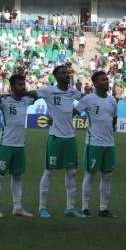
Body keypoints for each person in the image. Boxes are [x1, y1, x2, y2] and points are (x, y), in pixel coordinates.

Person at [27, 65, 85, 218]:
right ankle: (42, 207)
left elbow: (85, 101)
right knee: (49, 171)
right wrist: (12, 94)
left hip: (70, 138)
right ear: (56, 76)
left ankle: (70, 208)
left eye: (67, 72)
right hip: (55, 137)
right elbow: (31, 94)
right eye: (63, 73)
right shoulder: (48, 91)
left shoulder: (74, 92)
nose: (67, 75)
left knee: (71, 172)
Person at [0, 74, 35, 218]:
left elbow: (38, 94)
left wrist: (26, 92)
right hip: (5, 144)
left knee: (17, 177)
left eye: (24, 84)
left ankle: (17, 207)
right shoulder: (4, 101)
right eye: (19, 85)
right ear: (12, 87)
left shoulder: (27, 101)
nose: (23, 87)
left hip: (20, 145)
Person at [76, 71, 118, 218]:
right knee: (90, 175)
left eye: (107, 79)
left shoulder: (113, 100)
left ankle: (103, 208)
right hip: (93, 143)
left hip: (109, 144)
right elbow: (74, 112)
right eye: (102, 80)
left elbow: (114, 119)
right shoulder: (88, 99)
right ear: (95, 83)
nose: (106, 82)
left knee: (107, 176)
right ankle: (84, 207)